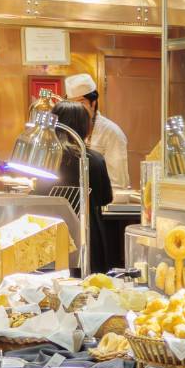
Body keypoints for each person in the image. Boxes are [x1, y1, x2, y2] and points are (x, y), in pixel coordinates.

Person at [51, 101, 115, 272]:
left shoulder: (46, 157)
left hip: (50, 232)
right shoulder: (94, 160)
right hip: (87, 233)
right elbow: (105, 198)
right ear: (85, 127)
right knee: (89, 284)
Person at [65, 72, 129, 190]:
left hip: (99, 199)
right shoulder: (65, 130)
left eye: (81, 103)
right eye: (72, 104)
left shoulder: (111, 133)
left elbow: (118, 184)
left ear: (93, 103)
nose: (76, 109)